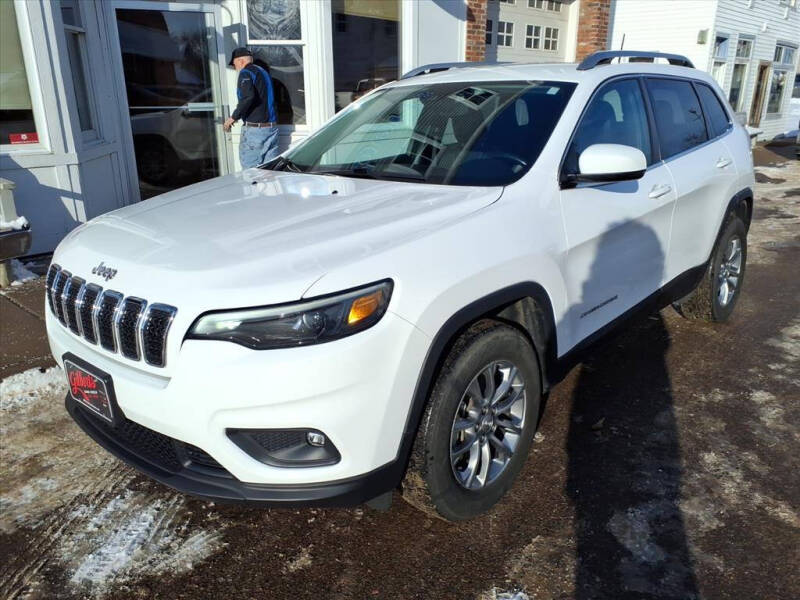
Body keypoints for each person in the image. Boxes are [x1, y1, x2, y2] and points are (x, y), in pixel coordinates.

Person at [223, 48, 280, 169]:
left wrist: (233, 117)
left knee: (250, 172)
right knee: (270, 171)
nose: (235, 68)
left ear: (240, 61)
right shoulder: (263, 72)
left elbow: (248, 97)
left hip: (256, 131)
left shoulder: (246, 73)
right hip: (272, 128)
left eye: (234, 64)